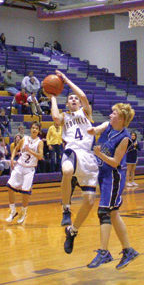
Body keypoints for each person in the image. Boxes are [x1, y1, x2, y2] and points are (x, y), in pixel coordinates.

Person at [68, 103, 139, 270]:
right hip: (102, 174)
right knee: (113, 214)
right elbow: (95, 129)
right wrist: (87, 128)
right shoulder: (108, 126)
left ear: (121, 119)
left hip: (113, 177)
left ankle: (104, 252)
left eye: (114, 113)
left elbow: (115, 162)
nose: (111, 114)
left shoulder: (124, 138)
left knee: (104, 212)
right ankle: (128, 250)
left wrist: (99, 154)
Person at [45, 69, 98, 226]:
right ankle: (66, 209)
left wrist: (66, 81)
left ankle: (74, 226)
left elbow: (83, 96)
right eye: (70, 99)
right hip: (72, 150)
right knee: (67, 171)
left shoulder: (86, 112)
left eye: (75, 98)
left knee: (89, 199)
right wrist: (53, 97)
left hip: (87, 154)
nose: (74, 99)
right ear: (67, 104)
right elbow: (55, 118)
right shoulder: (64, 116)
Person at [5, 121, 43, 224]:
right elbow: (15, 149)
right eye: (33, 128)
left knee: (25, 193)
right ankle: (12, 211)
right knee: (9, 187)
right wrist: (12, 159)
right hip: (19, 166)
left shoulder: (39, 142)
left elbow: (40, 156)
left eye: (36, 128)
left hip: (29, 169)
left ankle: (23, 211)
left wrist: (30, 151)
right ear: (30, 129)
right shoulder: (24, 139)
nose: (34, 129)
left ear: (39, 131)